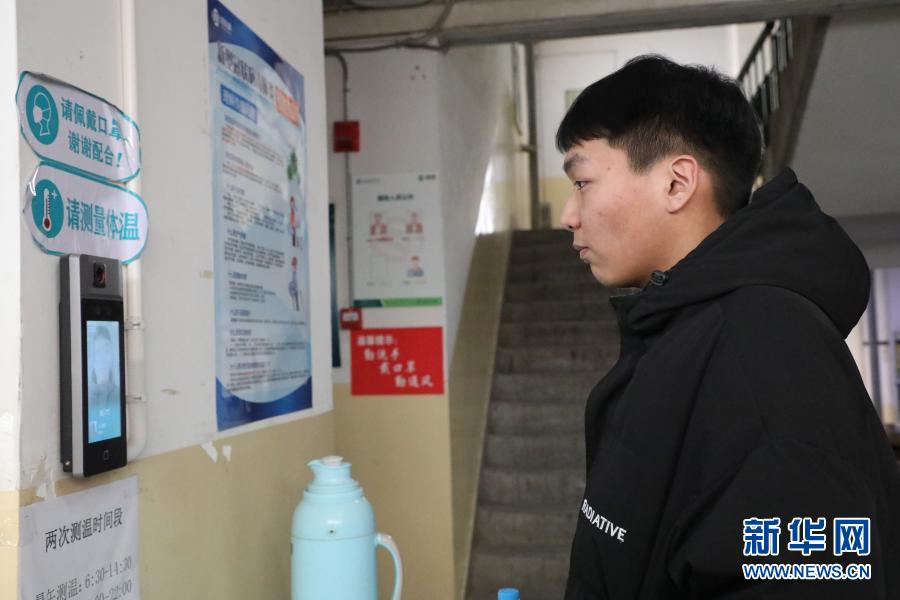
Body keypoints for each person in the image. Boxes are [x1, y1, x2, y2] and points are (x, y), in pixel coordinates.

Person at [557, 55, 900, 599]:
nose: (568, 215)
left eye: (582, 182)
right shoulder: (685, 334)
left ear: (677, 183)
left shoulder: (768, 356)